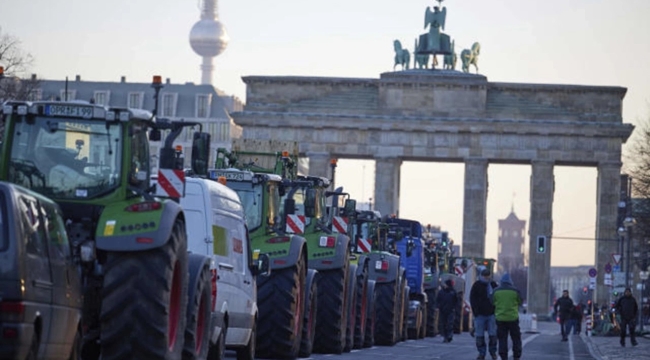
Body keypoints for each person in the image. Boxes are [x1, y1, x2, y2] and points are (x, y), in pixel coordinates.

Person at [492, 273, 523, 360]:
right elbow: (520, 301)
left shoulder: (496, 291)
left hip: (500, 318)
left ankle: (503, 356)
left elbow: (492, 302)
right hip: (513, 318)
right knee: (516, 338)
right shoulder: (515, 291)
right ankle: (516, 355)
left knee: (502, 339)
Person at [470, 268, 498, 360]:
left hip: (491, 314)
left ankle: (493, 352)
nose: (486, 277)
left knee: (493, 335)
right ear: (481, 275)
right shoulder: (477, 285)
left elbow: (497, 298)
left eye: (487, 275)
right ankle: (481, 353)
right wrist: (476, 312)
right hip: (480, 314)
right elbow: (472, 299)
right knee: (479, 335)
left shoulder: (493, 285)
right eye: (485, 275)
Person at [437, 278, 458, 343]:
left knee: (450, 324)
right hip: (442, 310)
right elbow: (438, 300)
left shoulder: (453, 292)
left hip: (450, 310)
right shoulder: (441, 292)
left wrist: (454, 308)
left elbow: (456, 301)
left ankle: (449, 335)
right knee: (443, 324)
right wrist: (438, 306)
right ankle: (445, 336)